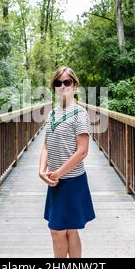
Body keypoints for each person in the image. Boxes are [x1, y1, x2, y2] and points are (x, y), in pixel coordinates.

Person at [38, 66, 95, 258]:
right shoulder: (52, 114)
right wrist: (41, 169)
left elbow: (82, 151)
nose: (63, 86)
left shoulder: (80, 114)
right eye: (58, 83)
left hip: (71, 181)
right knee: (69, 230)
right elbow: (46, 145)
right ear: (54, 87)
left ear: (75, 86)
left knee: (58, 231)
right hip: (55, 181)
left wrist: (58, 173)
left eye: (67, 82)